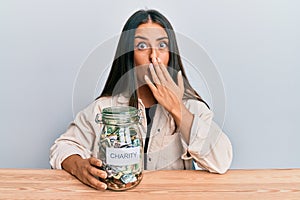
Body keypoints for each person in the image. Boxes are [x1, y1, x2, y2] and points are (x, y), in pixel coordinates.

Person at [50, 9, 233, 190]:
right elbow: (62, 147)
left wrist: (177, 109)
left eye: (162, 46)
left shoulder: (192, 107)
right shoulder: (105, 108)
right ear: (129, 55)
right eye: (142, 46)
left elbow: (221, 160)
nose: (154, 56)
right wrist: (78, 166)